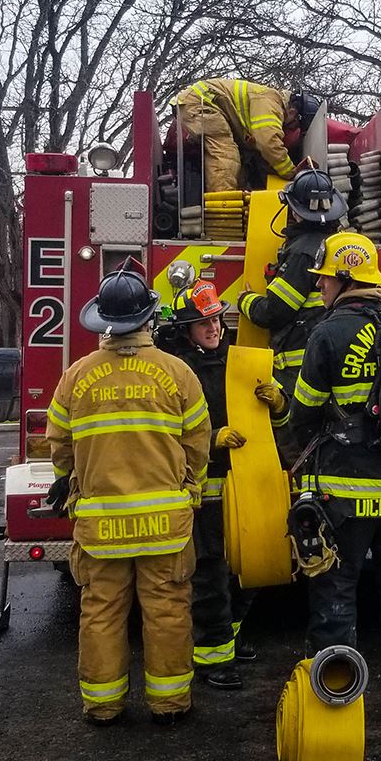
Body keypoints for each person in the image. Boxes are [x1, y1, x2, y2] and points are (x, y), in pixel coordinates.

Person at [45, 262, 210, 727]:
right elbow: (198, 442)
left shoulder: (76, 377)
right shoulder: (178, 374)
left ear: (105, 322)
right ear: (148, 319)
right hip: (166, 525)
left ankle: (103, 705)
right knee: (168, 610)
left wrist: (75, 482)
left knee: (100, 611)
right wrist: (188, 488)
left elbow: (59, 446)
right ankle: (170, 703)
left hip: (100, 526)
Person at [287, 231, 381, 716]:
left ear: (344, 279)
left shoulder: (328, 333)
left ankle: (333, 686)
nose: (321, 290)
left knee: (335, 583)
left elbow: (304, 412)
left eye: (326, 281)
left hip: (347, 494)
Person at [156, 279, 287, 690]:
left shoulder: (241, 362)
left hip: (248, 483)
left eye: (215, 319)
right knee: (210, 576)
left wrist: (279, 403)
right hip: (203, 490)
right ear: (184, 330)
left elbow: (280, 427)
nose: (213, 328)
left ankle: (228, 636)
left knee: (254, 568)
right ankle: (214, 659)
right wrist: (212, 440)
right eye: (202, 323)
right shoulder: (176, 371)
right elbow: (166, 435)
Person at [236, 168, 345, 459]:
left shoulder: (303, 252)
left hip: (298, 370)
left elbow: (274, 312)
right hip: (328, 365)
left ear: (294, 212)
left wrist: (245, 300)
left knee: (294, 442)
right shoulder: (338, 244)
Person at [171, 79, 321, 192]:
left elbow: (260, 152)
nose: (291, 129)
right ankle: (223, 210)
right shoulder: (270, 102)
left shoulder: (268, 100)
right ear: (294, 113)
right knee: (226, 153)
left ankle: (235, 205)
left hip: (201, 103)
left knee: (239, 165)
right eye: (295, 125)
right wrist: (290, 172)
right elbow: (268, 142)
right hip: (200, 103)